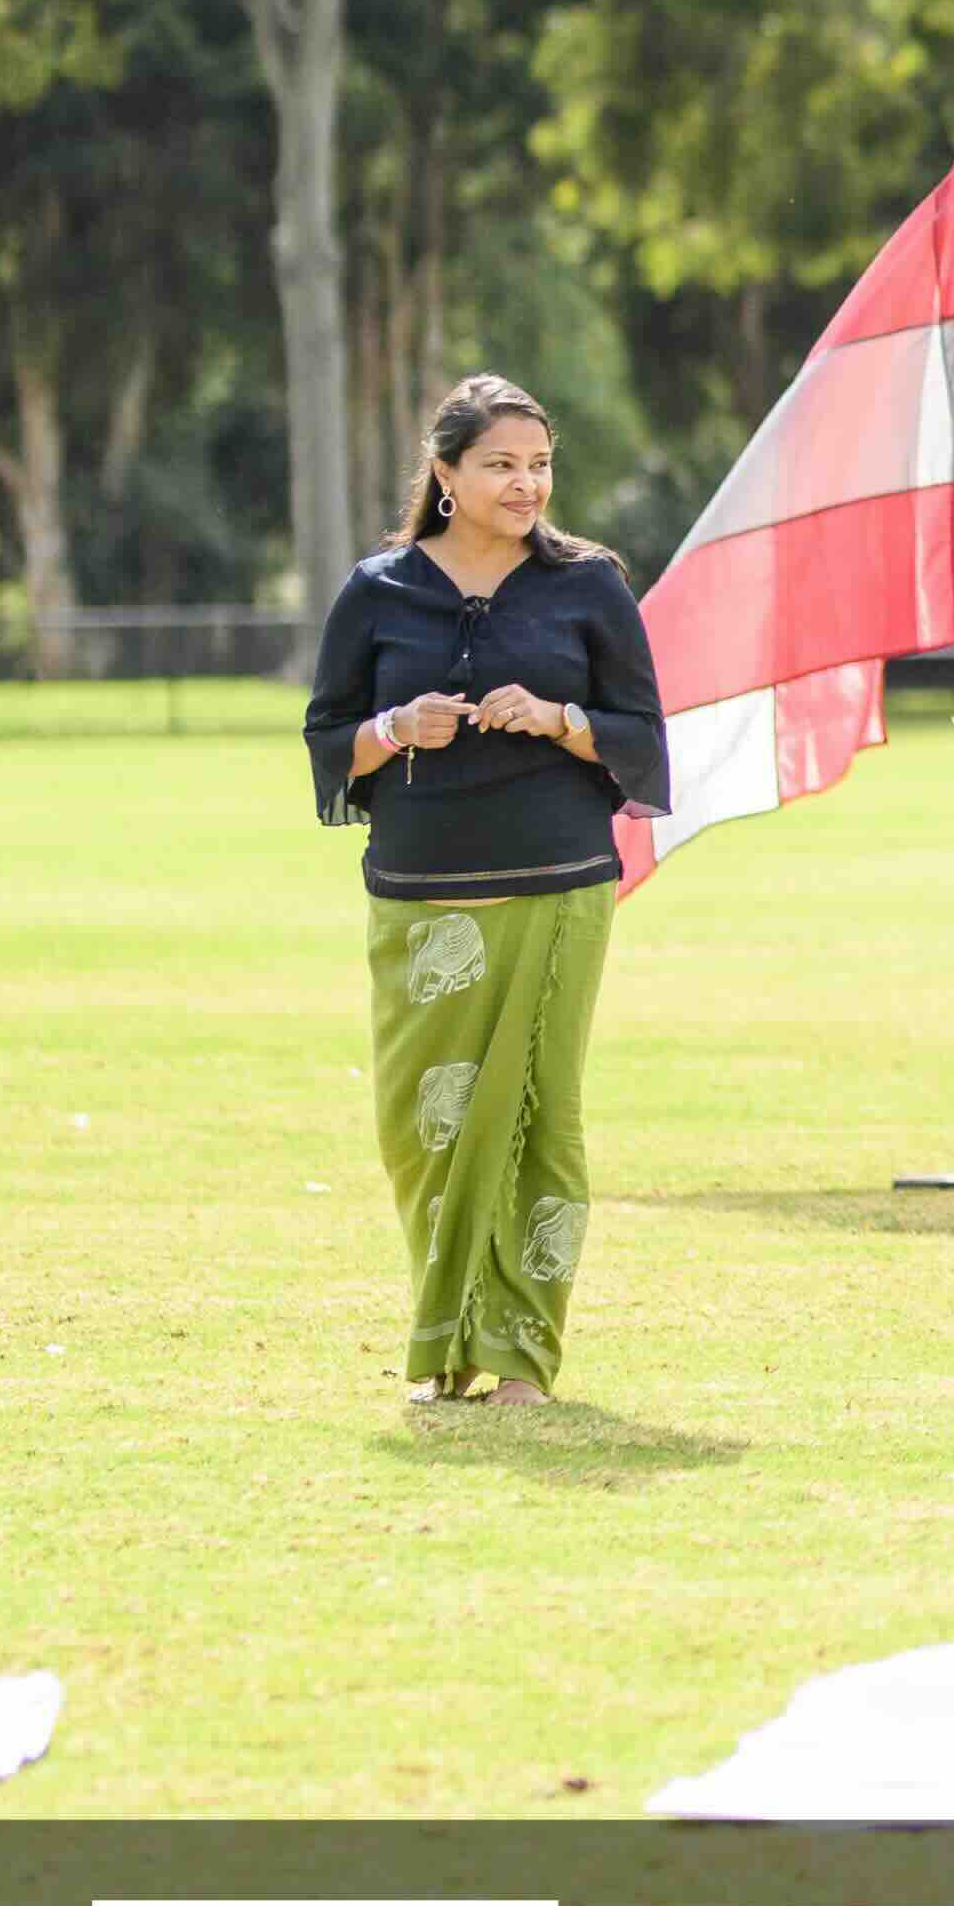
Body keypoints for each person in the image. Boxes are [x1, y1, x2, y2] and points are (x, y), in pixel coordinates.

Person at [301, 375, 668, 1406]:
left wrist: (558, 718)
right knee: (424, 1127)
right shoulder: (377, 592)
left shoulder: (589, 585)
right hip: (421, 896)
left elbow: (641, 734)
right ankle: (443, 1339)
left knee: (540, 1124)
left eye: (540, 464)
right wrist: (393, 729)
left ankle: (518, 1359)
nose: (527, 483)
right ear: (446, 474)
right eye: (502, 464)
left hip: (557, 894)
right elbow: (329, 737)